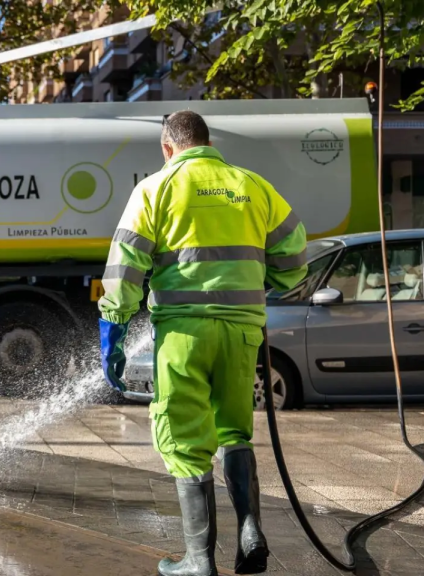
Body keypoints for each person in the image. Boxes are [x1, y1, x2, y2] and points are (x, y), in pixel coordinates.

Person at [98, 111, 307, 576]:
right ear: (207, 142)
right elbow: (294, 258)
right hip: (242, 332)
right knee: (235, 430)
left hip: (183, 334)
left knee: (186, 440)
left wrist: (112, 330)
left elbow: (126, 265)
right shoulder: (253, 185)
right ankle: (251, 532)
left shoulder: (156, 188)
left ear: (168, 148)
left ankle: (198, 560)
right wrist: (256, 285)